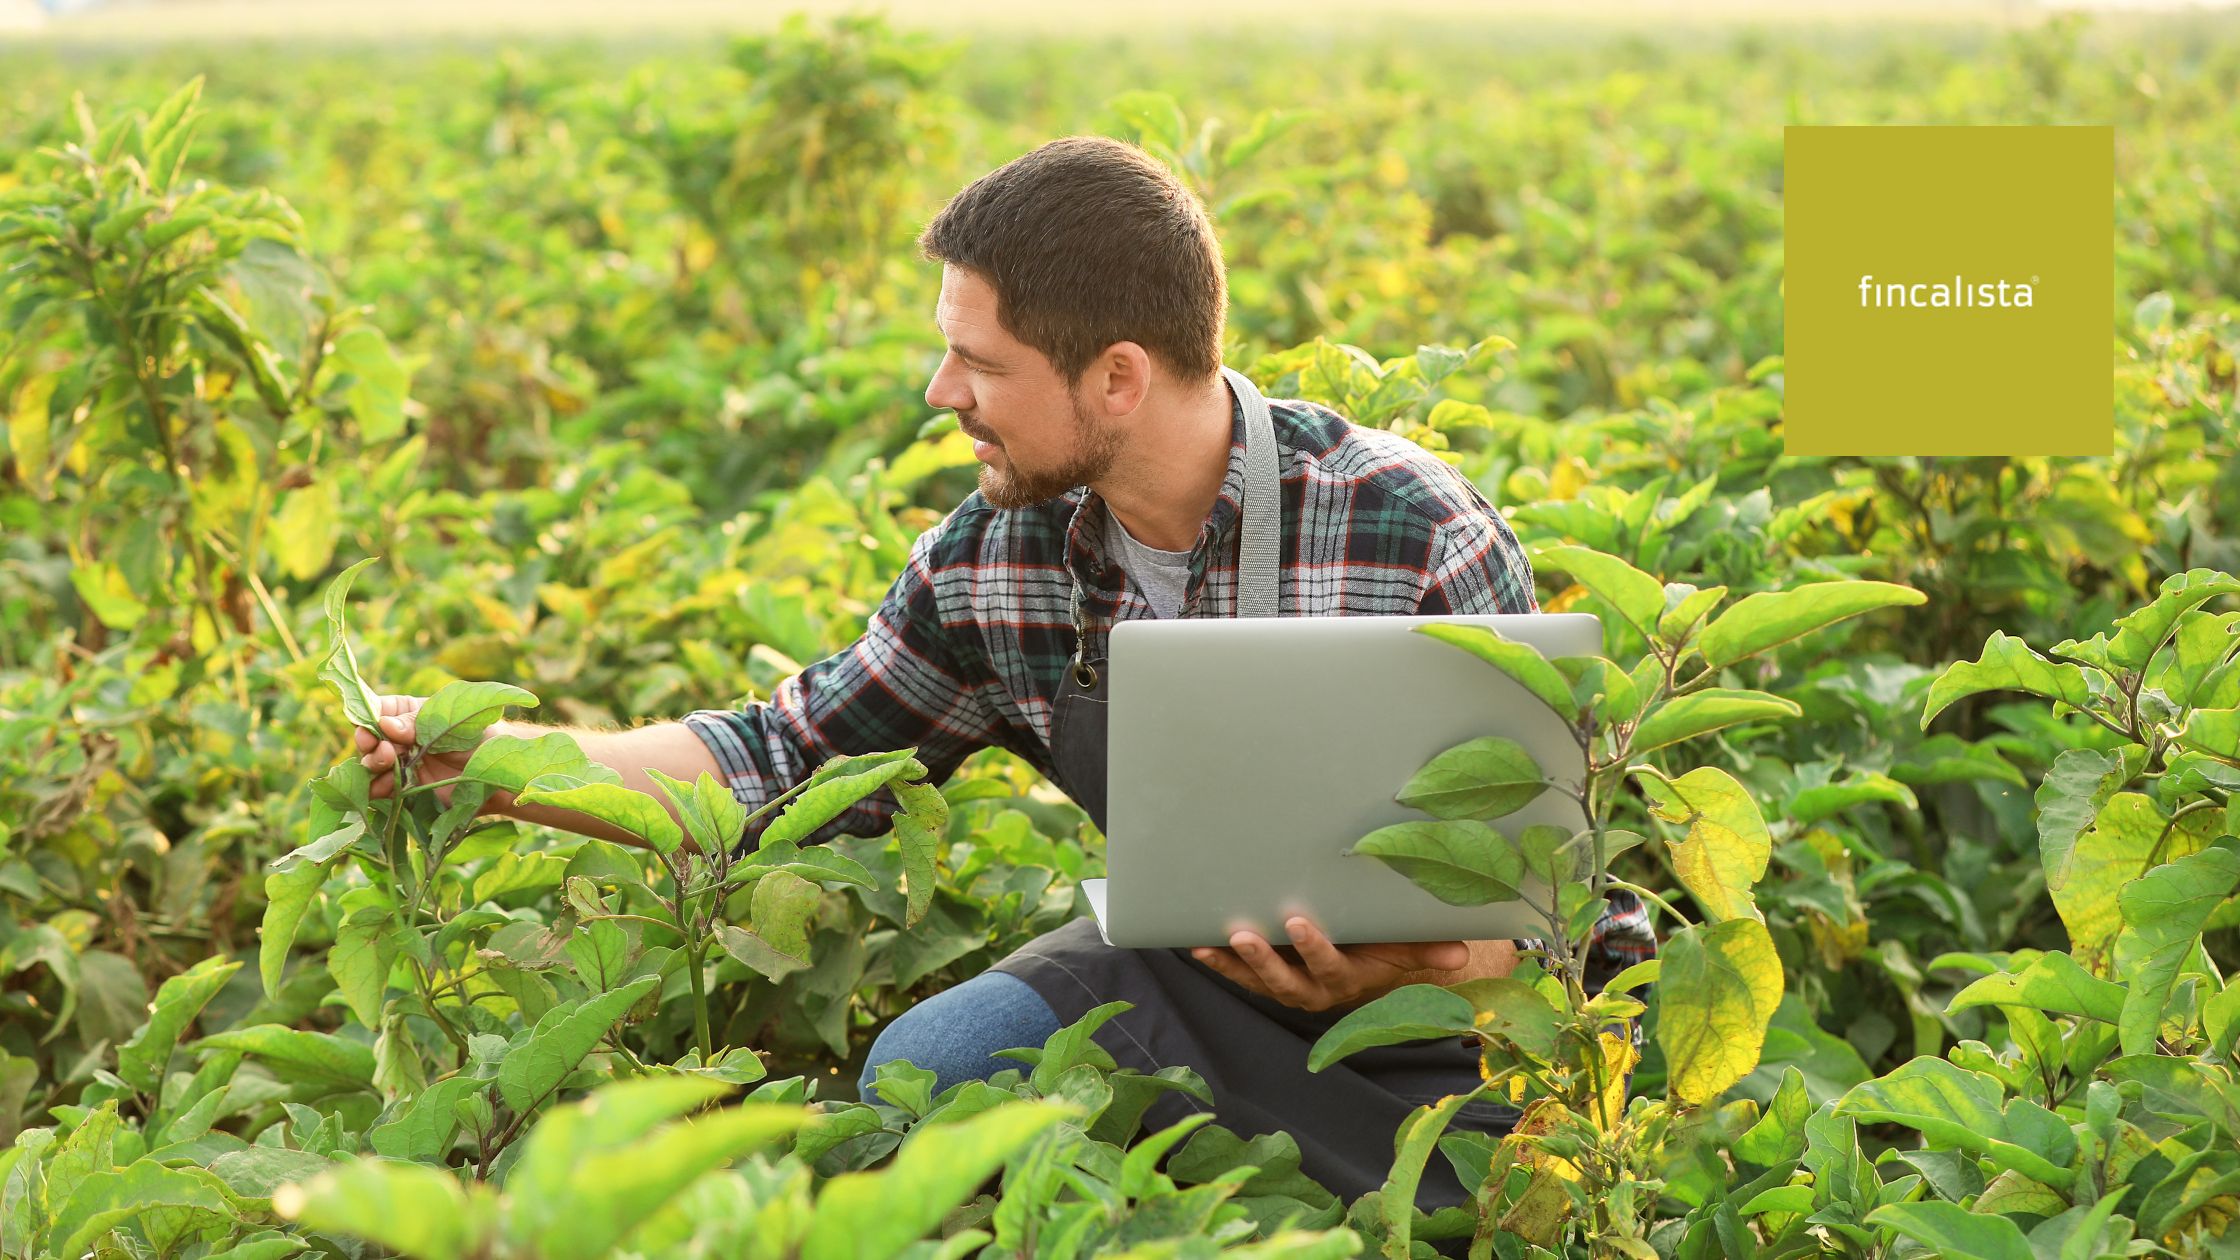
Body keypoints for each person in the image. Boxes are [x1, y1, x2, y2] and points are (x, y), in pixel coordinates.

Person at [353, 135, 1653, 1208]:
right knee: (928, 1080)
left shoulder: (1416, 533)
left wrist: (1408, 975)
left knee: (1492, 1207)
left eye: (979, 364)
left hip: (1461, 1030)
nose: (939, 393)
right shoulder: (997, 557)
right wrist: (488, 761)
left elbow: (1550, 924)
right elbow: (783, 757)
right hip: (1187, 978)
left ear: (1119, 379)